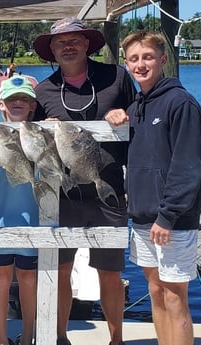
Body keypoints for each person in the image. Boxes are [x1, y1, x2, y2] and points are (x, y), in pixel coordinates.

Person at [32, 17, 136, 345]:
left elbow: (140, 127)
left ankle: (116, 339)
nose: (68, 46)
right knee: (60, 270)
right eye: (60, 42)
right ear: (52, 49)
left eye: (74, 40)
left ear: (87, 44)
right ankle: (59, 337)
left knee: (110, 272)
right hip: (62, 197)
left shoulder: (116, 77)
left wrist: (125, 116)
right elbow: (33, 146)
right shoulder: (43, 89)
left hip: (109, 193)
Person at [121, 31, 201, 345]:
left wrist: (168, 216)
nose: (140, 64)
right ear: (126, 63)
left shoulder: (180, 103)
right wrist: (122, 115)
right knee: (154, 292)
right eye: (133, 59)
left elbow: (189, 167)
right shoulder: (139, 106)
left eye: (147, 57)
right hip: (143, 217)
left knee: (175, 295)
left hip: (172, 221)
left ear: (162, 60)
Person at [0, 75, 39, 345]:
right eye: (12, 99)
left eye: (24, 99)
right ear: (1, 104)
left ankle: (28, 334)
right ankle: (0, 338)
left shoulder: (41, 133)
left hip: (33, 218)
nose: (18, 103)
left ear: (33, 105)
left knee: (29, 277)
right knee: (1, 277)